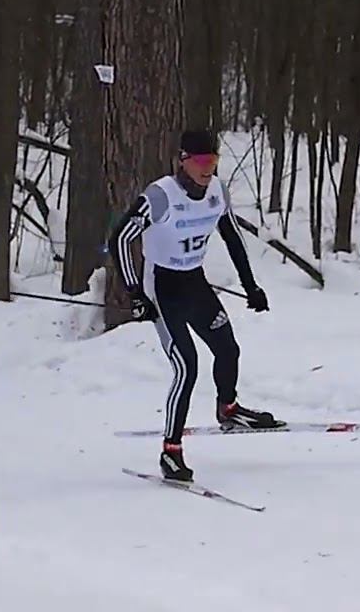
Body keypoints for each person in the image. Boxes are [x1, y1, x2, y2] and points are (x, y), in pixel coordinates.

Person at [108, 128, 283, 482]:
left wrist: (251, 286)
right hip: (163, 288)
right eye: (201, 161)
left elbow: (231, 235)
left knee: (228, 349)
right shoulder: (161, 196)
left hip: (194, 282)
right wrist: (136, 294)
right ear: (183, 161)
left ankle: (228, 409)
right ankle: (170, 452)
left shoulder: (217, 191)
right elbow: (120, 238)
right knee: (187, 367)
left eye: (213, 161)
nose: (208, 169)